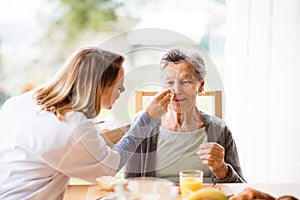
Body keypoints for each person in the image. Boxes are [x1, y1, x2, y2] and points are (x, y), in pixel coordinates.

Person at [0, 46, 172, 199]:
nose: (123, 89)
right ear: (99, 86)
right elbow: (109, 167)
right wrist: (146, 119)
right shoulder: (73, 126)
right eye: (118, 85)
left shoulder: (20, 102)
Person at [124, 48, 246, 184]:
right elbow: (129, 184)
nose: (177, 90)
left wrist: (222, 170)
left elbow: (240, 190)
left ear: (201, 86)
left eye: (185, 82)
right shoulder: (144, 124)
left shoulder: (218, 129)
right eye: (169, 83)